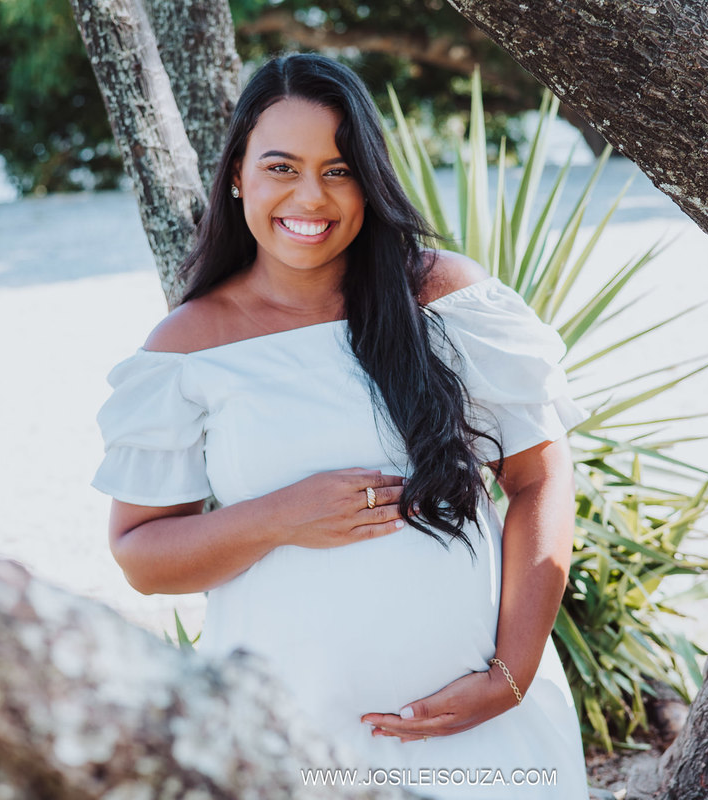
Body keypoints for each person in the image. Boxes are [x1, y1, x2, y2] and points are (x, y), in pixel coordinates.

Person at [92, 53, 589, 797]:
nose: (310, 196)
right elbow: (141, 555)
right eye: (282, 167)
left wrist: (509, 678)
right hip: (294, 739)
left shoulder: (446, 299)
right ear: (236, 176)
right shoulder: (188, 347)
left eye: (338, 169)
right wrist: (280, 517)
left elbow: (540, 476)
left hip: (483, 729)